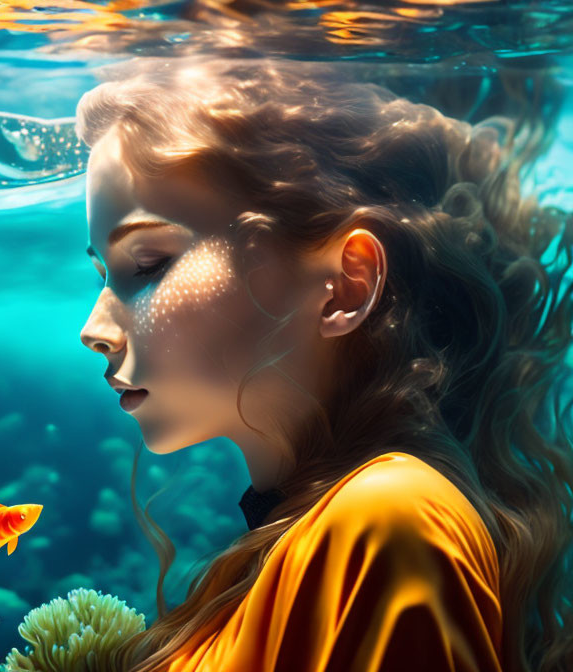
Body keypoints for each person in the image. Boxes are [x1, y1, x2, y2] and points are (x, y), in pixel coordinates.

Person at [77, 56, 573, 672]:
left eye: (148, 264)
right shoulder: (308, 530)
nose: (93, 331)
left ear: (344, 284)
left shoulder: (389, 521)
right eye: (102, 274)